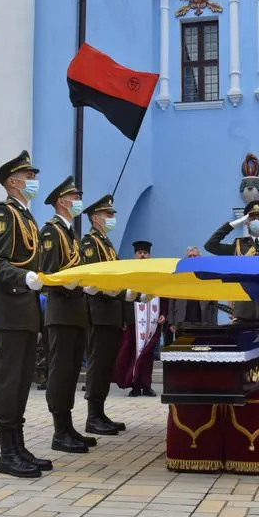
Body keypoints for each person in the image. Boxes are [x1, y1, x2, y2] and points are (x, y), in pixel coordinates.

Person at [0, 150, 50, 478]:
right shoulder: (3, 214)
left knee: (22, 382)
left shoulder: (27, 217)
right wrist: (25, 278)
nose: (34, 180)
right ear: (12, 181)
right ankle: (7, 453)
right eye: (29, 176)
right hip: (9, 309)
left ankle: (18, 446)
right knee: (9, 382)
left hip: (25, 310)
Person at [39, 176, 96, 453]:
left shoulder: (70, 232)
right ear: (62, 201)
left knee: (72, 371)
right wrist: (71, 285)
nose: (78, 201)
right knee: (61, 371)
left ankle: (68, 426)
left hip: (75, 311)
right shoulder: (51, 231)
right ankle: (59, 431)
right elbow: (49, 273)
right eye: (75, 197)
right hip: (61, 311)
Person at [80, 194, 137, 436]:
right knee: (98, 364)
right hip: (99, 312)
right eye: (108, 214)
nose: (112, 218)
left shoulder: (107, 244)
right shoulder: (90, 243)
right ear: (95, 218)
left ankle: (100, 412)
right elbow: (97, 278)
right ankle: (92, 416)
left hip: (111, 313)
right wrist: (123, 293)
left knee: (106, 366)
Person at [204, 201, 259, 326]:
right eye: (252, 218)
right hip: (243, 311)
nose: (256, 221)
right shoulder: (238, 244)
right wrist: (231, 225)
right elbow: (210, 246)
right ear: (247, 222)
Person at [116, 241, 166, 398]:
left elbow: (163, 293)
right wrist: (124, 319)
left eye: (145, 252)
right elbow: (124, 298)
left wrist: (164, 313)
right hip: (133, 320)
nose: (143, 255)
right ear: (135, 255)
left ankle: (147, 385)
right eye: (140, 253)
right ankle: (135, 385)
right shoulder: (129, 273)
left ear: (149, 255)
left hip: (152, 320)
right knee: (133, 352)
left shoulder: (156, 273)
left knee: (148, 354)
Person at [168, 247, 219, 343]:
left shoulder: (207, 276)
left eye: (194, 256)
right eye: (189, 256)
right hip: (182, 321)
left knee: (202, 348)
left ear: (200, 258)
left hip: (203, 321)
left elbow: (214, 302)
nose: (192, 258)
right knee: (182, 348)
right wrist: (171, 322)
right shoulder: (178, 275)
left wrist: (214, 323)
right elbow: (172, 300)